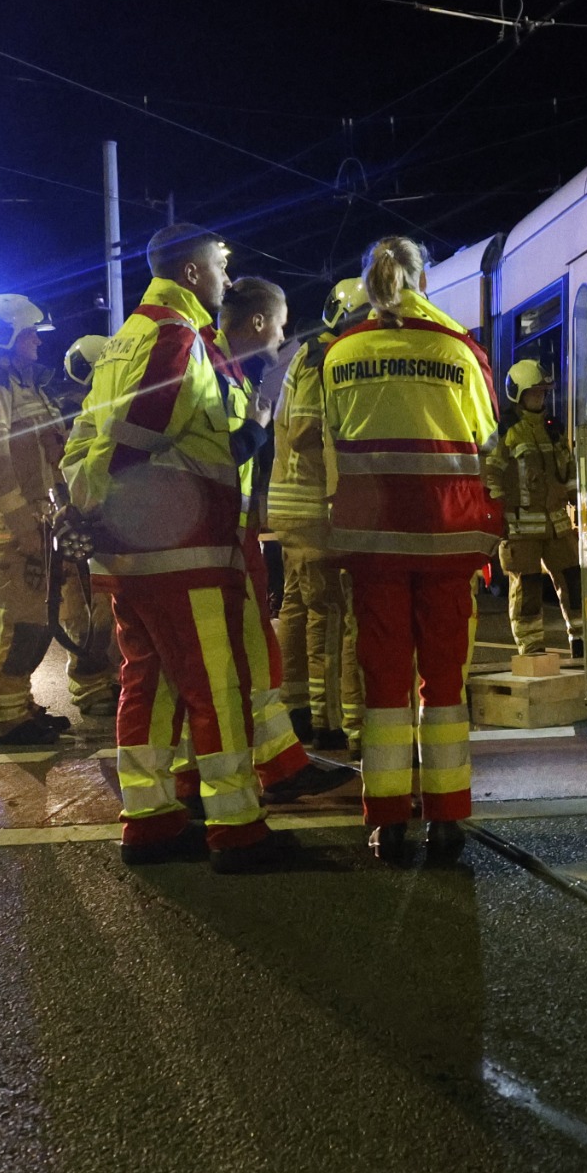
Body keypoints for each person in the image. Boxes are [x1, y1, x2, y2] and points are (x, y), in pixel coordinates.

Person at [60, 223, 293, 874]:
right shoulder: (176, 336)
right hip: (180, 547)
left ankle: (152, 819)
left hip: (131, 555)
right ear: (192, 273)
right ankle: (237, 828)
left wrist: (86, 509)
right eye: (220, 267)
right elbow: (142, 432)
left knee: (149, 683)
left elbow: (87, 437)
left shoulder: (124, 340)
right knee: (217, 687)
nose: (225, 279)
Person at [321, 235, 503, 863]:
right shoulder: (460, 350)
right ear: (423, 280)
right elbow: (487, 440)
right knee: (445, 682)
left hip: (372, 544)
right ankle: (447, 818)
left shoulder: (341, 354)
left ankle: (387, 822)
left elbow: (330, 442)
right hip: (449, 541)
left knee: (384, 683)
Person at [211, 275, 341, 803]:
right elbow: (216, 456)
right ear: (259, 322)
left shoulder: (234, 371)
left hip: (234, 533)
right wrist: (257, 427)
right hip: (216, 537)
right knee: (231, 659)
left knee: (257, 649)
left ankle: (281, 763)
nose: (283, 336)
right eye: (280, 325)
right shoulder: (215, 372)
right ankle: (229, 784)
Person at [0, 293, 73, 747]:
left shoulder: (24, 384)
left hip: (36, 522)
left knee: (33, 621)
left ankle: (20, 706)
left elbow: (51, 453)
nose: (38, 343)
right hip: (11, 528)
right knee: (15, 621)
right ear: (6, 335)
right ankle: (5, 717)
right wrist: (21, 524)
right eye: (29, 334)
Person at [270, 279, 367, 751]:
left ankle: (297, 709)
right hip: (312, 506)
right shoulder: (323, 358)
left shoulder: (310, 353)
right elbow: (309, 429)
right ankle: (330, 723)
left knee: (299, 606)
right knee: (330, 613)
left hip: (295, 505)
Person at [489, 358, 583, 656]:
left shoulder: (552, 430)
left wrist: (574, 496)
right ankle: (531, 649)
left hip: (557, 525)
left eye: (543, 393)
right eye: (534, 393)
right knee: (527, 589)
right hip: (520, 527)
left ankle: (580, 638)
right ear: (517, 394)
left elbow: (568, 471)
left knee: (573, 582)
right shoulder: (505, 431)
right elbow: (490, 473)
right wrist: (497, 515)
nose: (539, 398)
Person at [48, 333, 120, 726]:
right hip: (73, 522)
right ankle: (90, 685)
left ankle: (109, 678)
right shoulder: (65, 414)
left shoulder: (101, 407)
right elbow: (56, 470)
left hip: (99, 519)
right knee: (81, 611)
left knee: (106, 607)